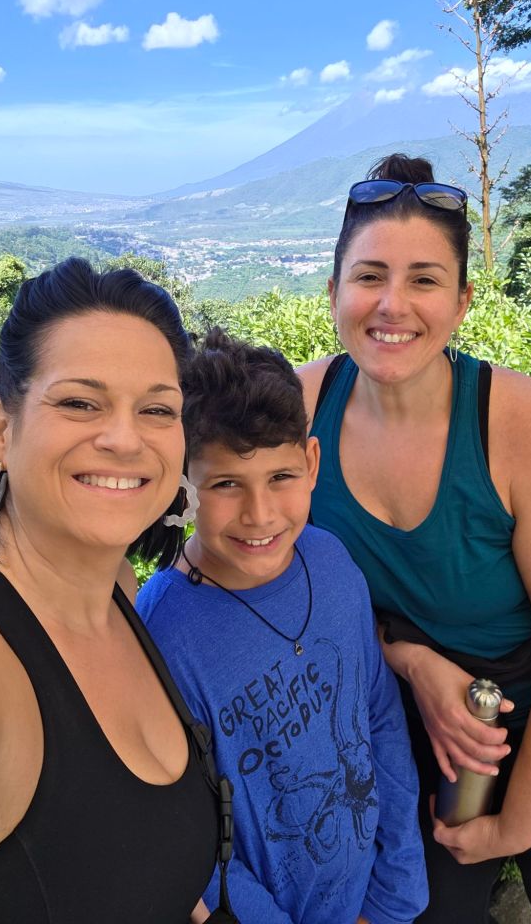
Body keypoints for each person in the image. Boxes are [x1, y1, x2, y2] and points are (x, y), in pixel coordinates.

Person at [297, 154, 531, 924]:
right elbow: (276, 583)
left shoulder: (519, 424)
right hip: (420, 716)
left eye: (424, 279)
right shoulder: (299, 406)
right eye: (369, 276)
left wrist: (516, 828)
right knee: (421, 906)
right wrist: (410, 661)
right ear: (334, 291)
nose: (392, 304)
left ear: (461, 302)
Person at [0, 257, 229, 924]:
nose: (124, 438)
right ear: (1, 430)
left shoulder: (118, 594)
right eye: (80, 403)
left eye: (157, 409)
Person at [136, 327, 429, 924]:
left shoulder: (332, 562)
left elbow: (377, 714)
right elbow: (187, 831)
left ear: (312, 463)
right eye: (225, 484)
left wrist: (396, 892)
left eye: (281, 477)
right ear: (182, 488)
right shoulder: (161, 631)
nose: (260, 514)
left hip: (375, 899)